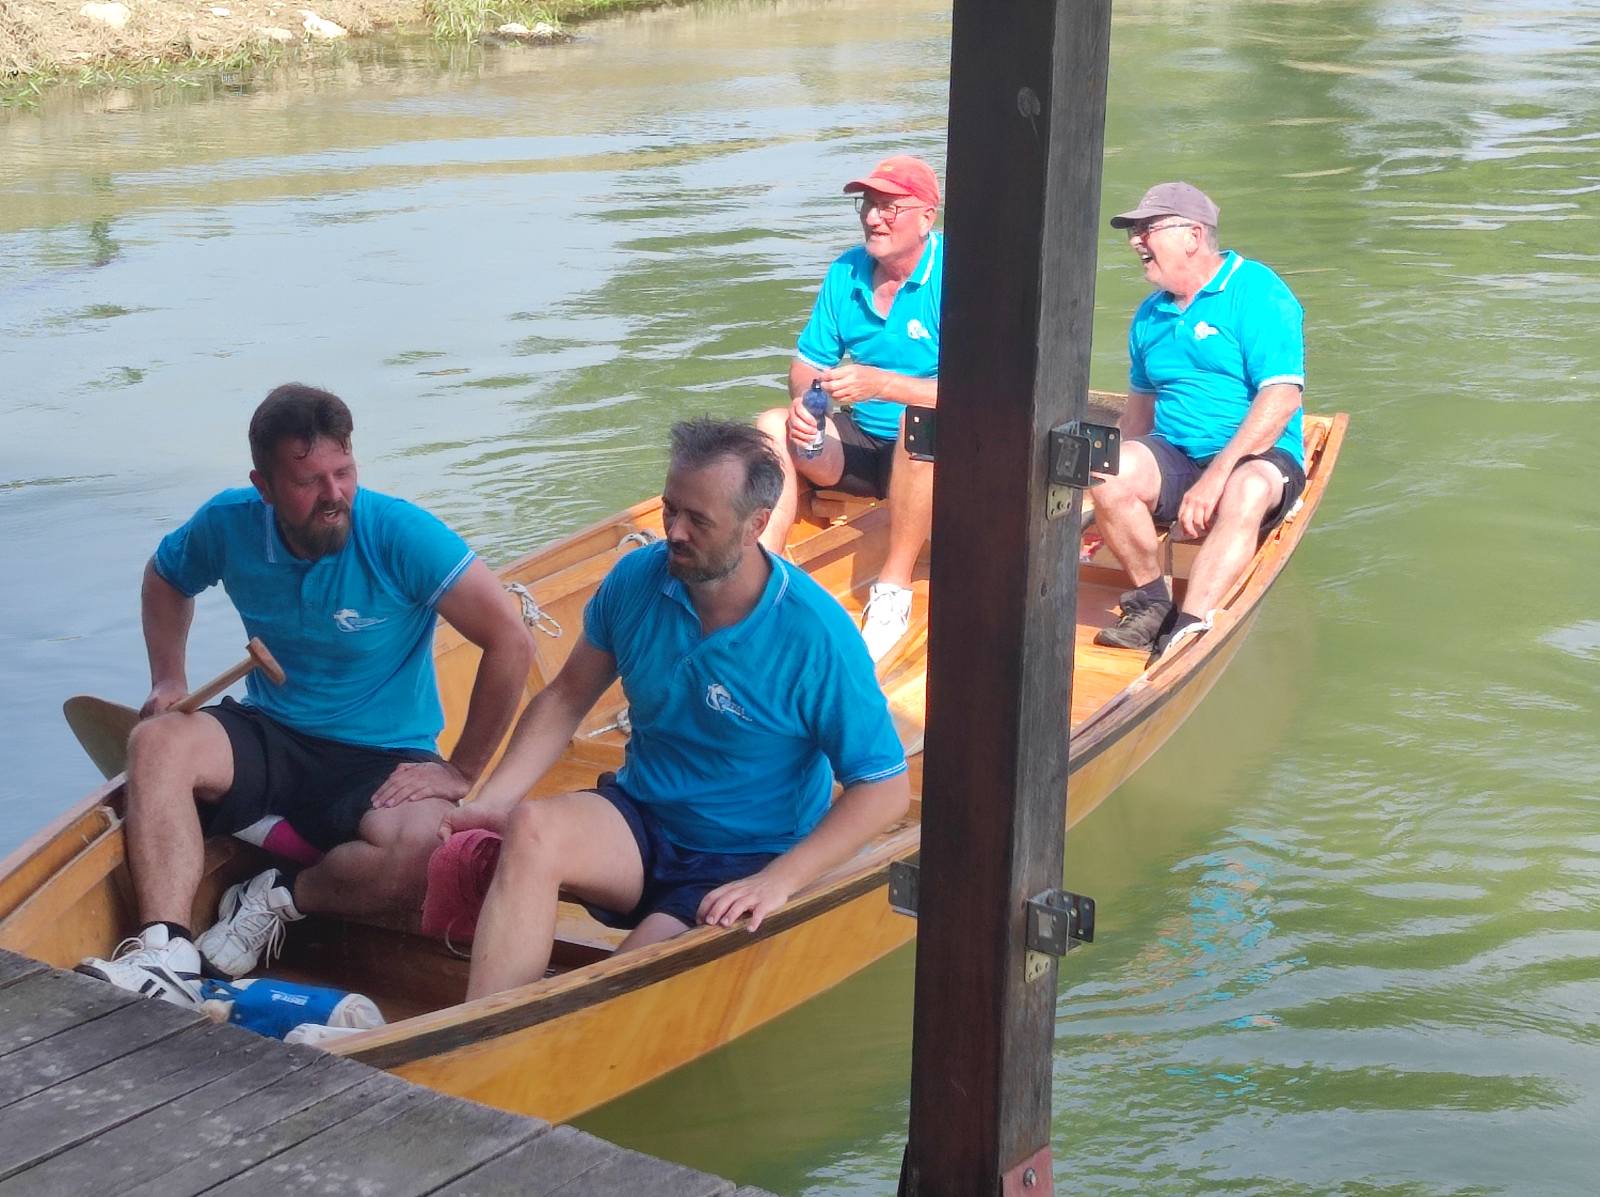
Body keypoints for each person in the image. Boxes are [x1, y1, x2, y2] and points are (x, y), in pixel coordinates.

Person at [78, 384, 533, 1006]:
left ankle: (281, 895)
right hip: (272, 731)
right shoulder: (229, 523)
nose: (334, 494)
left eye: (343, 471)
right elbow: (165, 578)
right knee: (155, 741)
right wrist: (168, 680)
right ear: (263, 486)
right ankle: (167, 952)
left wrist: (462, 770)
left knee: (429, 850)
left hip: (384, 754)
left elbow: (510, 641)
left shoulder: (401, 534)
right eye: (308, 481)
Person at [438, 417, 911, 1000]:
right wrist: (494, 801)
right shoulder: (637, 580)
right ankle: (486, 1027)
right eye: (669, 509)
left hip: (744, 858)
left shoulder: (816, 637)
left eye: (698, 520)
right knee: (531, 828)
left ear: (755, 525)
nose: (674, 532)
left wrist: (778, 882)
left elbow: (883, 788)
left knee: (617, 986)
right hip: (642, 820)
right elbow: (565, 698)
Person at [1091, 182, 1307, 661]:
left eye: (1148, 229)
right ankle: (1152, 603)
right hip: (1177, 451)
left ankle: (1190, 624)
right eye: (1133, 232)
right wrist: (1099, 501)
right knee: (1106, 470)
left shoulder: (1258, 291)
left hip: (1258, 456)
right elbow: (1138, 415)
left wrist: (1214, 480)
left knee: (1245, 489)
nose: (1135, 241)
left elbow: (1281, 399)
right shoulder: (1150, 315)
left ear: (1193, 235)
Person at [755, 154, 943, 663]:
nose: (873, 218)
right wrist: (809, 403)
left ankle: (893, 589)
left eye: (889, 207)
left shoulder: (956, 276)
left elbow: (988, 396)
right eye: (868, 205)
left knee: (920, 422)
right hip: (863, 443)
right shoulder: (846, 271)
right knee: (771, 425)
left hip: (939, 456)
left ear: (926, 218)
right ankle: (764, 579)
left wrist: (883, 384)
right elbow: (807, 365)